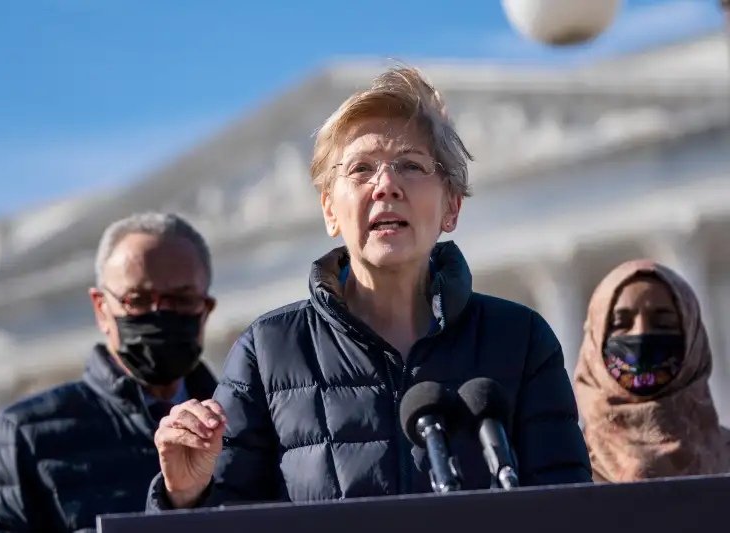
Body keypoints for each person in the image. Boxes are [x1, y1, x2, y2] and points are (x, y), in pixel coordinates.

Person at [146, 66, 592, 512]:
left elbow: (575, 515)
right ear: (330, 212)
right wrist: (183, 495)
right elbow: (224, 518)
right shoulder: (267, 353)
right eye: (361, 169)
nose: (386, 186)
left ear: (450, 207)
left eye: (411, 166)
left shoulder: (521, 341)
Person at [0, 212, 218, 533]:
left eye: (181, 299)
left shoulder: (247, 426)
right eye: (138, 299)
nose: (159, 314)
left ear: (205, 309)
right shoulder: (22, 435)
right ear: (101, 309)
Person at [574, 259, 730, 482]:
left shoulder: (725, 456)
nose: (642, 333)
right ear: (595, 340)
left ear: (692, 338)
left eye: (664, 323)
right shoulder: (563, 467)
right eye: (621, 323)